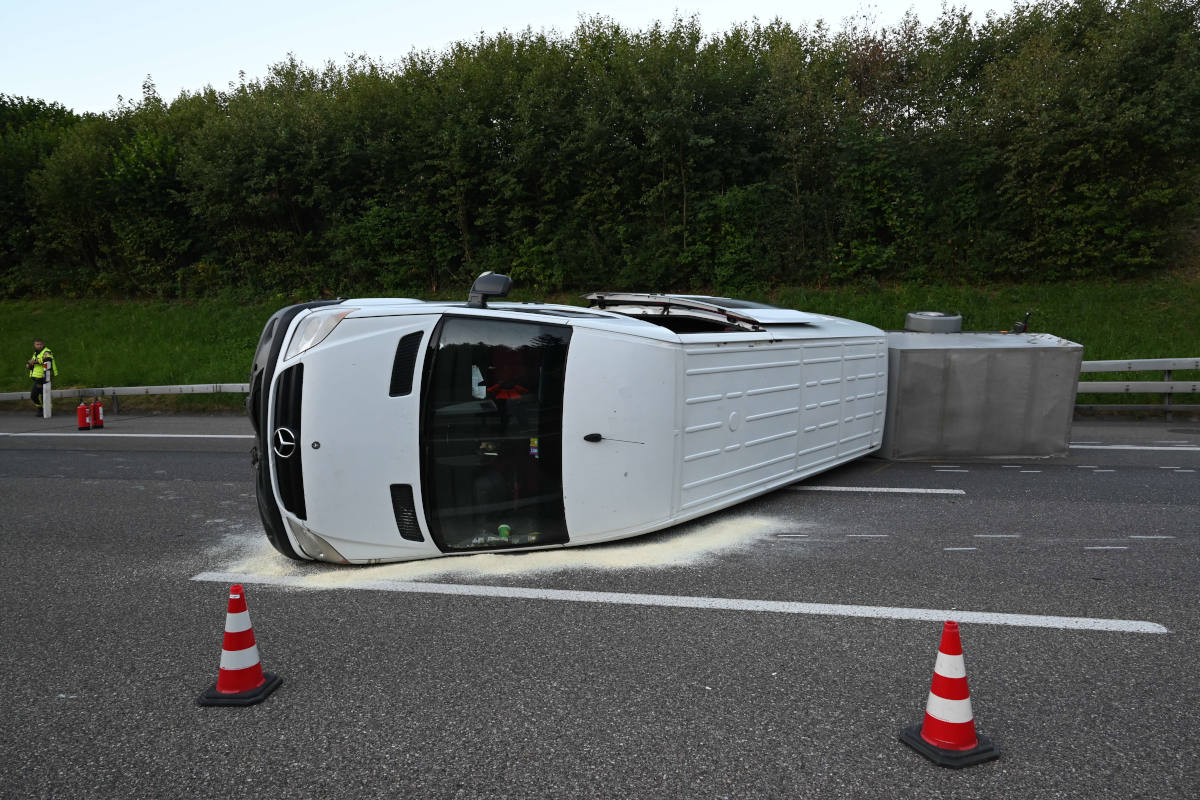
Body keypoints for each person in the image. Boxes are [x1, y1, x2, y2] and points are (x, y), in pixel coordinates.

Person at [27, 338, 57, 416]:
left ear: (43, 344)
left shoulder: (46, 351)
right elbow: (34, 365)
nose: (39, 346)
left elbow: (48, 359)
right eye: (37, 344)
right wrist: (29, 365)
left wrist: (35, 361)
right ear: (34, 345)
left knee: (41, 394)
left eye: (40, 344)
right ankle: (41, 409)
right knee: (36, 395)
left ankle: (46, 410)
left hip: (45, 376)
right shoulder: (35, 353)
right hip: (37, 377)